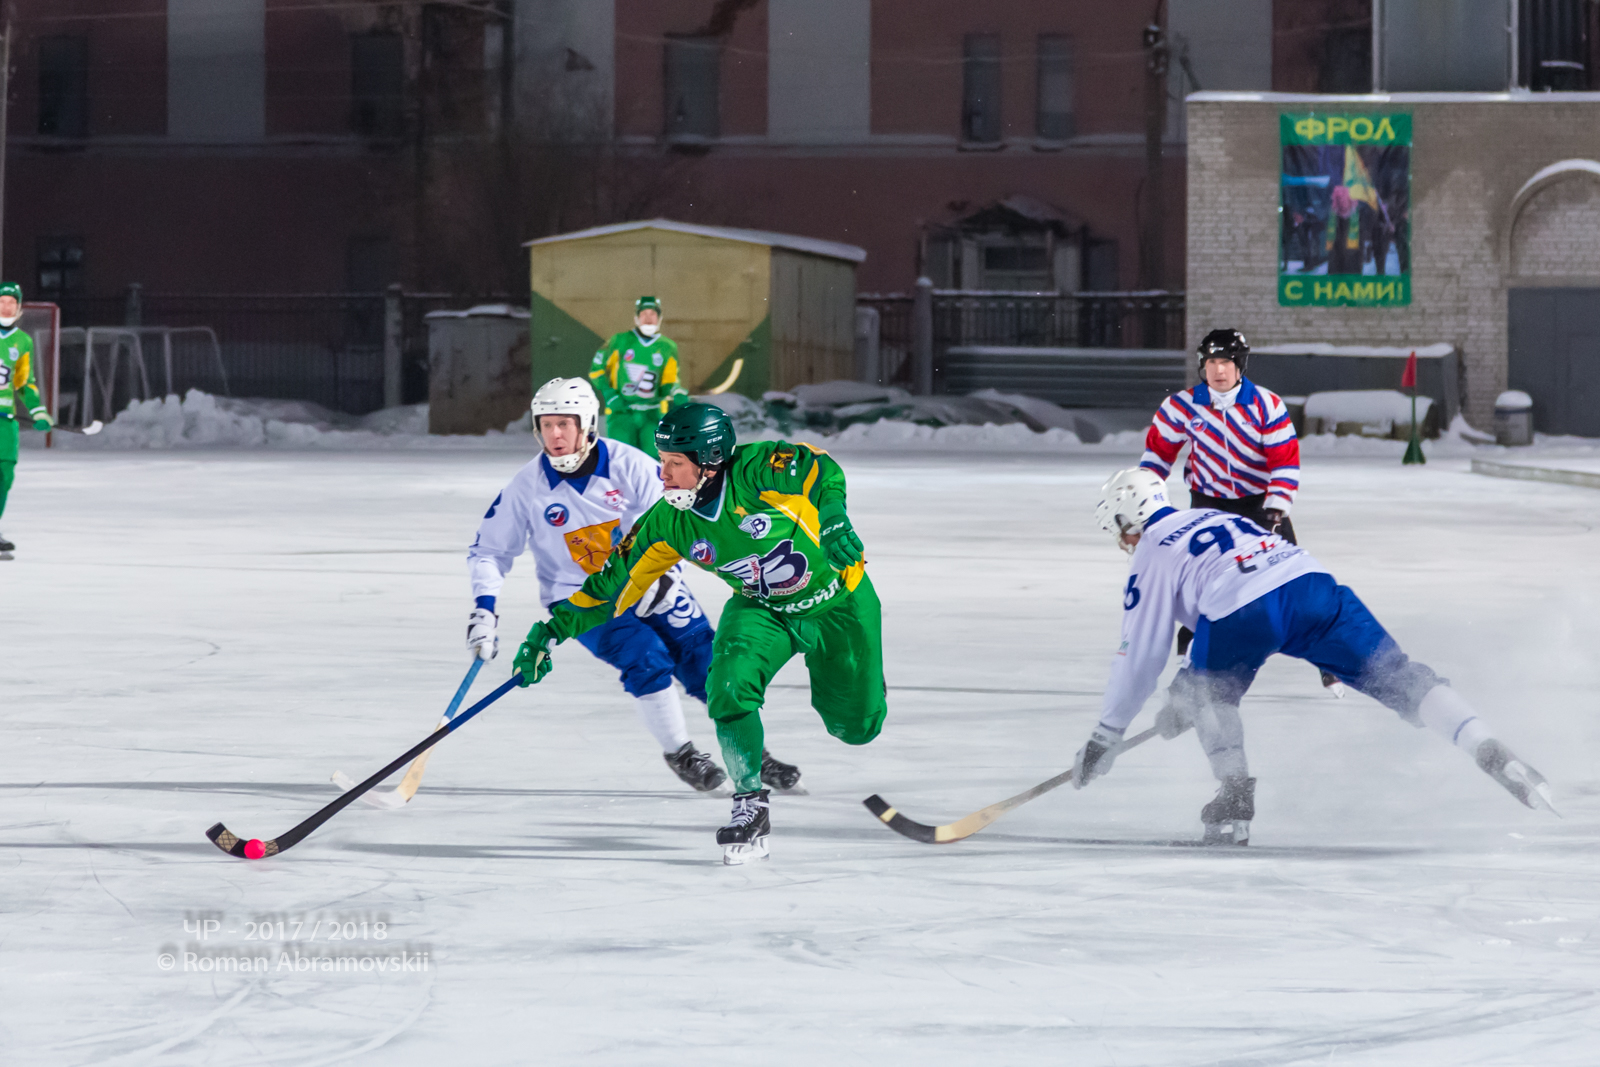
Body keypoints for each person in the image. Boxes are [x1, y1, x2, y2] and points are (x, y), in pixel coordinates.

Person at [1072, 468, 1555, 845]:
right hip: (1310, 584)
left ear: (1128, 521)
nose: (1124, 545)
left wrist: (1108, 733)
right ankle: (1486, 745)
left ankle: (1234, 801)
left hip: (1244, 606)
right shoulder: (1219, 518)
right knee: (1396, 675)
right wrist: (1184, 687)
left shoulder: (1151, 550)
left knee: (1209, 698)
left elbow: (1141, 654)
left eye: (1121, 533)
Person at [512, 403, 886, 865]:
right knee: (725, 684)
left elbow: (818, 467)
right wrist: (551, 631)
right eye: (662, 460)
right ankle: (750, 805)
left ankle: (862, 682)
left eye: (674, 463)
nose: (662, 473)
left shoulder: (753, 470)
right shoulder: (669, 521)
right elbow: (611, 587)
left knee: (856, 728)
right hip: (763, 610)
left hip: (840, 604)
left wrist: (832, 516)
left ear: (709, 463)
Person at [467, 377, 802, 794]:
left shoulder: (631, 465)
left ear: (587, 423)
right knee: (646, 657)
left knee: (707, 664)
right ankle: (681, 753)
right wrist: (484, 610)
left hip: (652, 581)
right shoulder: (525, 487)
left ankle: (754, 755)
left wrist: (665, 576)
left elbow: (672, 522)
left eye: (564, 423)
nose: (555, 435)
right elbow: (489, 550)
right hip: (581, 600)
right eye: (547, 425)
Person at [1141, 328, 1343, 695]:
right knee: (1204, 589)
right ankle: (1193, 665)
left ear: (1240, 366)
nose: (1218, 370)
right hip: (1208, 507)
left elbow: (1284, 461)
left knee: (1296, 584)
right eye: (1211, 362)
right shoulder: (1182, 406)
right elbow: (1156, 457)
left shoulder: (1266, 404)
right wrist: (1147, 503)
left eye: (1226, 362)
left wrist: (1276, 508)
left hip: (1260, 508)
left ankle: (1330, 662)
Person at [588, 296, 689, 458]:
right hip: (621, 415)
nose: (648, 318)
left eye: (653, 314)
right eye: (644, 314)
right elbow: (597, 370)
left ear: (660, 318)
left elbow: (669, 380)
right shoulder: (619, 341)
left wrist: (675, 392)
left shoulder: (667, 347)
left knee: (653, 462)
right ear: (636, 318)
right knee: (621, 460)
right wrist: (610, 394)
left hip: (652, 415)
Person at [0, 283, 54, 560]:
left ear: (19, 308)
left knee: (4, 476)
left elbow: (24, 382)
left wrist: (38, 411)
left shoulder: (22, 342)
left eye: (12, 302)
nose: (6, 307)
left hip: (5, 421)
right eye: (2, 301)